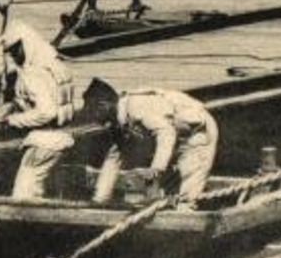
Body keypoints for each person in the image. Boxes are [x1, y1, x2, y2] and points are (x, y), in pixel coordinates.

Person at [85, 78, 218, 208]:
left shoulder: (136, 107)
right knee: (164, 193)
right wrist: (100, 198)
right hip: (177, 137)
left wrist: (157, 168)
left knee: (187, 196)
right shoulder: (118, 121)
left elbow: (166, 132)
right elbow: (115, 156)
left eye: (92, 111)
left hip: (198, 134)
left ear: (104, 105)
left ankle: (186, 210)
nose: (93, 117)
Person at [1, 22, 77, 200]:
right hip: (63, 139)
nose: (13, 57)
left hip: (44, 142)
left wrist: (13, 120)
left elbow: (47, 112)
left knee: (22, 196)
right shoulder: (54, 63)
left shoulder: (33, 74)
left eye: (15, 50)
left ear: (26, 44)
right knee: (49, 195)